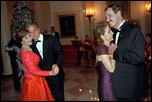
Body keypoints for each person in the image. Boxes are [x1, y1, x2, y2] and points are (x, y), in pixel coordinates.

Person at [104, 4, 145, 101]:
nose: (107, 19)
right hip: (118, 84)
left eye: (109, 16)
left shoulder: (133, 30)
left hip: (129, 87)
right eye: (106, 17)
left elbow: (139, 57)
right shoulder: (114, 33)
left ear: (118, 14)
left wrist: (115, 52)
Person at [15, 29, 59, 101]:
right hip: (34, 81)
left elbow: (25, 61)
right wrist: (50, 73)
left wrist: (23, 65)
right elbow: (34, 71)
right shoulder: (26, 53)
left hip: (31, 78)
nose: (30, 38)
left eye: (29, 36)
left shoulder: (24, 48)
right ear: (21, 41)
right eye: (26, 38)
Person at [25, 23, 65, 101]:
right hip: (42, 77)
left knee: (59, 97)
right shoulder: (30, 45)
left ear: (39, 29)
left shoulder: (52, 39)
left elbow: (60, 53)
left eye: (35, 30)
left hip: (56, 74)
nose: (33, 34)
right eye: (30, 32)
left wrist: (57, 64)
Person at [93, 21, 117, 101]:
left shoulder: (107, 46)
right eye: (109, 31)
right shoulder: (102, 47)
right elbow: (111, 69)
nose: (112, 32)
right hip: (107, 83)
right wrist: (113, 53)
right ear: (102, 36)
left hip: (112, 81)